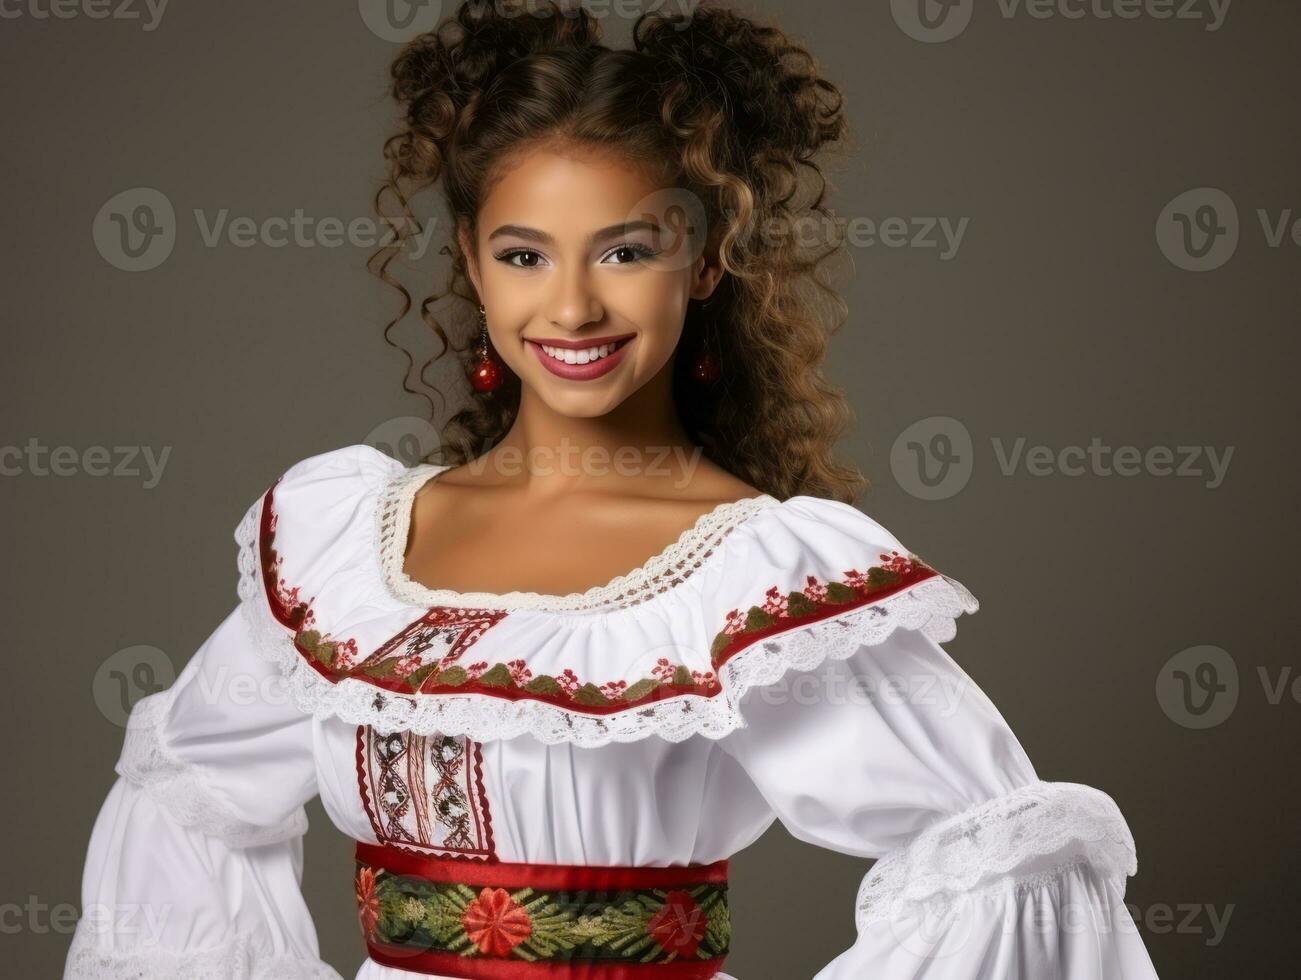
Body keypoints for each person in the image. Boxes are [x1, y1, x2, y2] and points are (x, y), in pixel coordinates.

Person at [63, 2, 1161, 977]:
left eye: (626, 250)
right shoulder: (340, 546)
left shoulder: (748, 576)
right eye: (525, 254)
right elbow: (186, 798)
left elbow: (1002, 856)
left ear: (707, 257)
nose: (574, 307)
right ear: (471, 261)